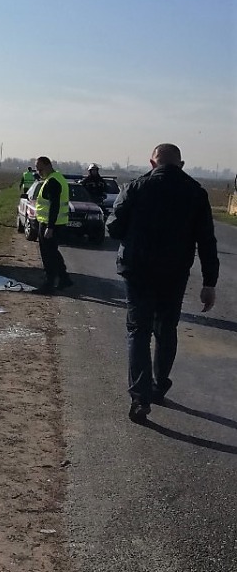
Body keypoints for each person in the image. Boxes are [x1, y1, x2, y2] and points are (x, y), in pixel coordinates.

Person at [106, 143, 219, 423]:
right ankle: (159, 384)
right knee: (166, 328)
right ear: (181, 165)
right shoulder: (195, 192)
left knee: (138, 331)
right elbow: (207, 240)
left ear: (152, 162)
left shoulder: (135, 188)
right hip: (174, 272)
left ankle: (140, 398)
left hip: (138, 270)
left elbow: (113, 227)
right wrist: (209, 283)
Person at [32, 156, 73, 294]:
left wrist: (50, 227)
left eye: (40, 168)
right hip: (57, 223)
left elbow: (54, 205)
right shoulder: (57, 178)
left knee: (48, 255)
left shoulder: (53, 181)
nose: (38, 172)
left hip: (51, 224)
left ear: (48, 165)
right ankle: (64, 278)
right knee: (54, 253)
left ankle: (48, 285)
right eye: (37, 169)